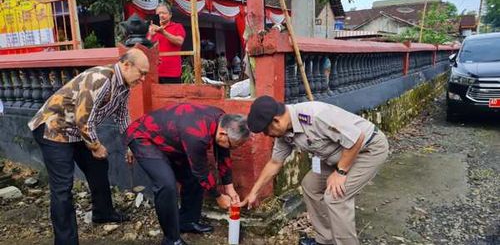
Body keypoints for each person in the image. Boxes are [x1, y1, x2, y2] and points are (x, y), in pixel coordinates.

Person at [28, 48, 150, 245]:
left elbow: (122, 118)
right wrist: (95, 145)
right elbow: (84, 119)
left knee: (99, 165)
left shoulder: (124, 86)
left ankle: (103, 213)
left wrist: (130, 144)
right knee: (62, 188)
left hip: (76, 131)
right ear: (126, 65)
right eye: (142, 72)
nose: (143, 78)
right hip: (53, 129)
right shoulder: (101, 79)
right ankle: (65, 241)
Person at [241, 96, 389, 245]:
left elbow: (357, 138)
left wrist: (341, 172)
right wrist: (254, 192)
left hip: (367, 149)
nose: (267, 135)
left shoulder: (316, 115)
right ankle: (326, 240)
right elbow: (274, 163)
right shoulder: (284, 132)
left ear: (276, 120)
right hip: (338, 156)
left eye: (266, 131)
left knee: (336, 196)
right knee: (310, 185)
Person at [124, 103, 250, 245]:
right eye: (234, 145)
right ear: (223, 134)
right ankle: (171, 239)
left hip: (172, 140)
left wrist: (229, 187)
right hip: (144, 137)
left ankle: (187, 221)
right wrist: (218, 196)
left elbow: (222, 152)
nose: (234, 149)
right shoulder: (198, 136)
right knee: (166, 184)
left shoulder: (222, 120)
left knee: (193, 179)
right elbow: (200, 171)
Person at [149, 4, 186, 84]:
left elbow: (179, 42)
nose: (161, 15)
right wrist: (151, 36)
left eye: (164, 13)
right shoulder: (152, 30)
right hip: (154, 72)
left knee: (173, 95)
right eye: (158, 14)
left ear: (170, 15)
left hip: (172, 73)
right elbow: (146, 48)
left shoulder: (177, 26)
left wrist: (163, 32)